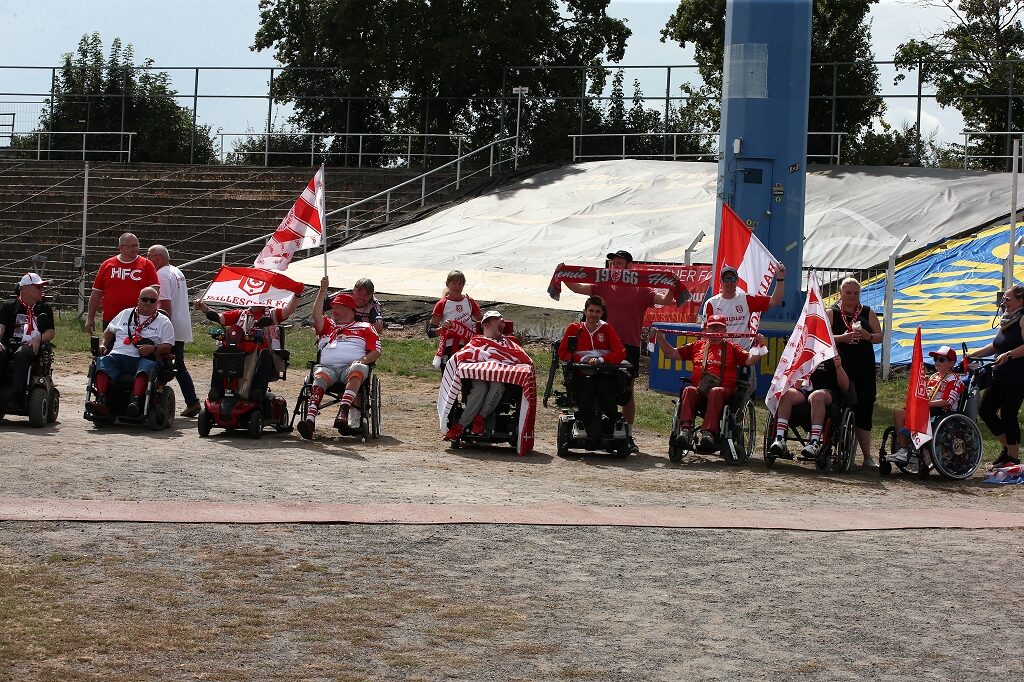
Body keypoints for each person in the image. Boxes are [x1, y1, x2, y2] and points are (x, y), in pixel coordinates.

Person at [561, 249, 676, 452]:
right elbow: (578, 288)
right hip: (601, 345)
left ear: (630, 267)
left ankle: (628, 434)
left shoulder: (643, 290)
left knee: (626, 390)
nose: (615, 266)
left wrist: (673, 284)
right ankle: (595, 422)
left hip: (628, 345)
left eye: (620, 263)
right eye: (613, 263)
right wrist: (562, 274)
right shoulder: (602, 285)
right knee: (593, 383)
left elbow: (666, 300)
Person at [655, 314, 761, 449]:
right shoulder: (697, 346)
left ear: (724, 331)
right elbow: (671, 354)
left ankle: (708, 432)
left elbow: (751, 360)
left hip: (724, 393)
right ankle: (685, 430)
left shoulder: (732, 347)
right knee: (689, 390)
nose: (715, 331)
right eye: (712, 328)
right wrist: (660, 338)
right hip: (701, 390)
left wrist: (759, 345)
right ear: (706, 330)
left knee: (716, 391)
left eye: (719, 328)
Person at [299, 277, 381, 440]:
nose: (333, 310)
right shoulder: (328, 325)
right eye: (333, 306)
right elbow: (316, 314)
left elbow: (376, 352)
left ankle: (343, 413)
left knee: (358, 368)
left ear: (350, 309)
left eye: (338, 307)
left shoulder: (366, 327)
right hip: (328, 368)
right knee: (320, 374)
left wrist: (362, 360)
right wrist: (322, 290)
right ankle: (309, 420)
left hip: (350, 369)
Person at [86, 286, 175, 418]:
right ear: (138, 300)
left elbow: (168, 346)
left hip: (142, 359)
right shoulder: (125, 314)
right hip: (118, 355)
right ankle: (101, 402)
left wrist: (153, 348)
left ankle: (135, 403)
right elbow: (109, 331)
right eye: (145, 299)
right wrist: (103, 344)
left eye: (152, 300)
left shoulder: (164, 321)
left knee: (146, 367)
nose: (148, 303)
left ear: (157, 303)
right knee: (102, 361)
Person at [444, 310, 532, 441]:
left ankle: (480, 418)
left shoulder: (510, 342)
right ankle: (461, 425)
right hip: (478, 375)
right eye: (497, 319)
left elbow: (521, 358)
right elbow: (465, 355)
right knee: (480, 388)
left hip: (501, 376)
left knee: (497, 386)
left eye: (502, 319)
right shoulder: (476, 341)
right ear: (486, 324)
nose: (502, 321)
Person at [195, 296, 298, 404]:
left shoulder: (272, 314)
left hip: (260, 357)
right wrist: (204, 308)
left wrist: (297, 295)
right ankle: (216, 389)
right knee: (221, 350)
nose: (257, 301)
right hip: (239, 355)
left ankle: (257, 391)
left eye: (261, 297)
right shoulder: (241, 314)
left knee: (265, 353)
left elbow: (289, 310)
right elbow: (219, 318)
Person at [826, 277, 882, 468]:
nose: (852, 297)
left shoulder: (867, 312)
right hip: (840, 365)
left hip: (864, 366)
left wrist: (869, 336)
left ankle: (867, 456)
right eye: (848, 293)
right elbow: (822, 336)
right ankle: (827, 446)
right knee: (836, 404)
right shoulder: (831, 312)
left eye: (856, 293)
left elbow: (880, 336)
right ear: (841, 292)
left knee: (865, 407)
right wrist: (843, 338)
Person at [968, 284, 1024, 468]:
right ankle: (1008, 449)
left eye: (1008, 299)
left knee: (1008, 414)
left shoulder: (1022, 319)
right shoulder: (1007, 319)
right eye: (1003, 299)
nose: (1004, 302)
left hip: (1017, 376)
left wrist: (1008, 355)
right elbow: (996, 345)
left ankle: (1013, 458)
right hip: (999, 374)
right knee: (985, 410)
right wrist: (973, 355)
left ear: (1020, 300)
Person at [557, 296, 627, 440]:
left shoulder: (607, 329)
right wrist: (583, 359)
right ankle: (580, 421)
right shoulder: (575, 328)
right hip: (581, 371)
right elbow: (563, 353)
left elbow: (620, 352)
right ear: (585, 311)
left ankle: (615, 420)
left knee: (605, 385)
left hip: (603, 370)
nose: (593, 314)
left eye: (597, 311)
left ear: (601, 313)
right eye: (591, 311)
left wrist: (601, 360)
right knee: (587, 385)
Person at [147, 245, 200, 417]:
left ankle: (188, 401)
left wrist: (164, 327)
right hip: (180, 324)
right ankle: (190, 401)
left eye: (150, 256)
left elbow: (166, 303)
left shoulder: (162, 274)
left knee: (170, 365)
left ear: (160, 257)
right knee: (177, 364)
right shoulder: (176, 271)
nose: (147, 259)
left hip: (171, 326)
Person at [889, 345, 964, 465]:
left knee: (912, 415)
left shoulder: (954, 380)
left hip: (942, 412)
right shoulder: (934, 377)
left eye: (941, 359)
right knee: (899, 413)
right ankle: (904, 449)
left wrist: (927, 404)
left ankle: (914, 450)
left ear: (952, 363)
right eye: (935, 359)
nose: (937, 362)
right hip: (927, 408)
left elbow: (948, 401)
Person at [768, 355, 851, 459]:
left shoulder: (835, 354)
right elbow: (793, 377)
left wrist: (838, 367)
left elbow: (845, 386)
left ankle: (814, 443)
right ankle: (780, 439)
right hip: (805, 389)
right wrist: (795, 382)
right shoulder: (806, 350)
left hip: (828, 392)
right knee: (785, 394)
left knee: (816, 396)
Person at [85, 232, 160, 336]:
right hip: (111, 319)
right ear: (120, 247)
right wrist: (90, 318)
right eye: (131, 246)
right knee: (109, 350)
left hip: (138, 320)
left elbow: (155, 291)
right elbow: (96, 294)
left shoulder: (147, 265)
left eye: (137, 245)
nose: (135, 249)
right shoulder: (107, 265)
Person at [0, 273, 56, 408]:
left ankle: (17, 397)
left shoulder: (44, 308)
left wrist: (39, 339)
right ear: (24, 288)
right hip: (11, 343)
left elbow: (51, 332)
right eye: (38, 287)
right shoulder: (8, 307)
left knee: (22, 353)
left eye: (42, 287)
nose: (41, 289)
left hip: (32, 345)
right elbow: (1, 327)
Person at [703, 263, 785, 347]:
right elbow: (705, 332)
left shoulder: (747, 299)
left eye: (733, 279)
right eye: (725, 279)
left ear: (737, 281)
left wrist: (780, 278)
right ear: (720, 281)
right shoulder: (711, 303)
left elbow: (775, 300)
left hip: (743, 353)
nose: (729, 282)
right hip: (720, 353)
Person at [427, 270, 482, 353]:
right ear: (447, 284)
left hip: (469, 346)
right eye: (454, 283)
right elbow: (430, 332)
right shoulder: (441, 304)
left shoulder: (470, 301)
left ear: (463, 285)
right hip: (449, 347)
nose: (457, 287)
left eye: (460, 284)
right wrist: (443, 328)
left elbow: (483, 323)